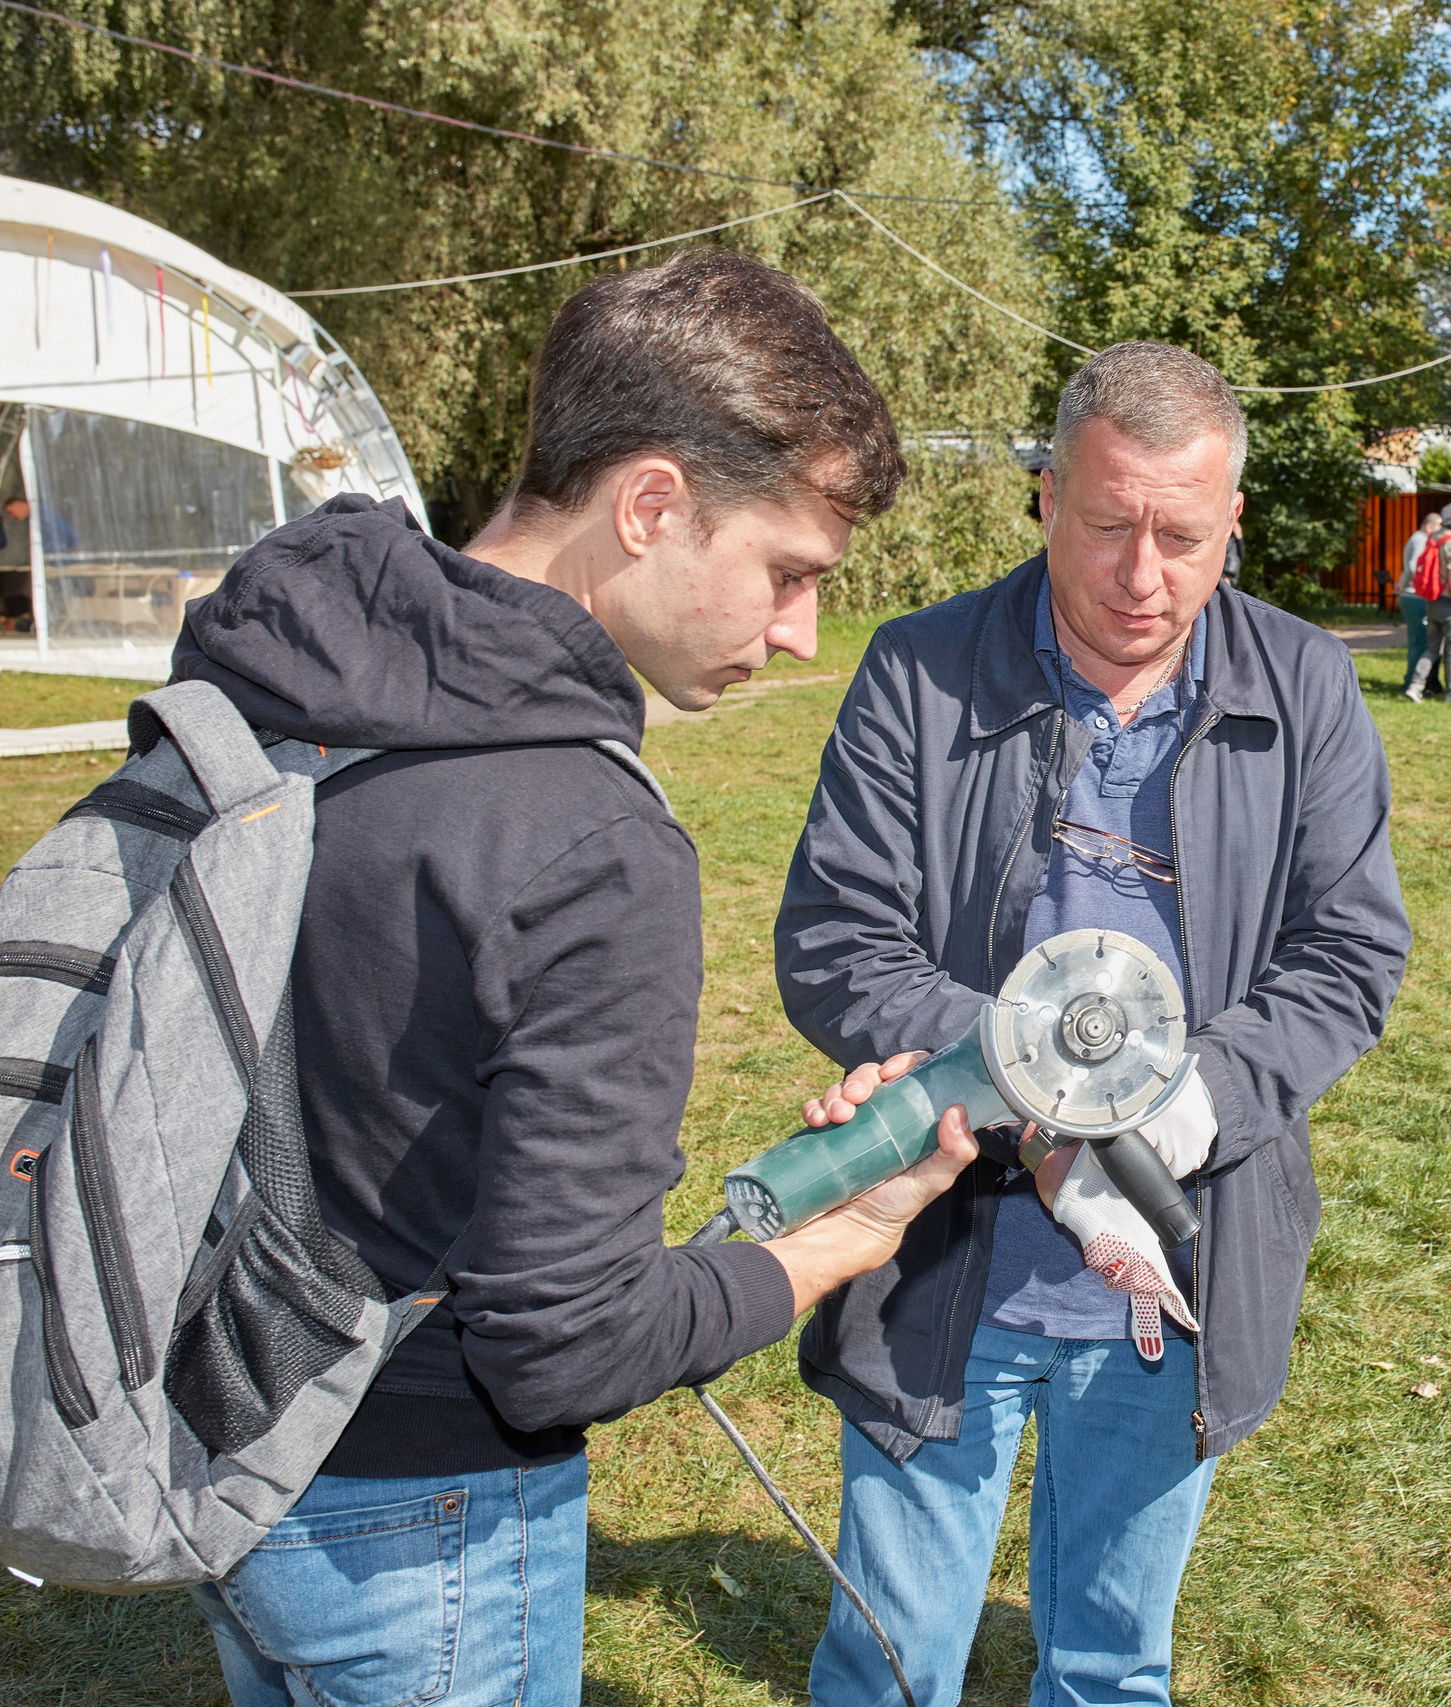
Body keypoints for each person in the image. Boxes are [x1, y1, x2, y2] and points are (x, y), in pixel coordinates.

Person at [166, 250, 976, 1707]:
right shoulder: (590, 839)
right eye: (790, 573)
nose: (799, 631)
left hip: (217, 1432)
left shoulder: (279, 658)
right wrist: (837, 1240)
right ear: (652, 503)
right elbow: (563, 1344)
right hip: (419, 1523)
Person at [773, 340, 1410, 1707]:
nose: (1144, 576)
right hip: (943, 1250)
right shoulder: (921, 671)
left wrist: (1196, 1100)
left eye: (1183, 536)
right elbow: (837, 939)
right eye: (1110, 524)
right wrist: (1041, 1092)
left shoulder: (1303, 689)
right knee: (889, 1660)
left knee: (1115, 1664)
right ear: (1046, 495)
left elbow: (1350, 952)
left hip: (1179, 1264)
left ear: (1232, 519)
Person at [1408, 504, 1451, 704]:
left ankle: (1415, 685)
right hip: (1449, 602)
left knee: (1432, 648)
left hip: (1432, 600)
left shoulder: (1434, 538)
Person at [1396, 507, 1443, 688]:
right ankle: (1411, 681)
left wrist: (1402, 582)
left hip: (1411, 594)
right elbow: (1413, 567)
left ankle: (1413, 680)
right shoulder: (1421, 540)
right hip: (1415, 597)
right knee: (1420, 641)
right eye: (1439, 525)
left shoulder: (1418, 538)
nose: (1441, 529)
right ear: (1429, 526)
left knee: (1419, 640)